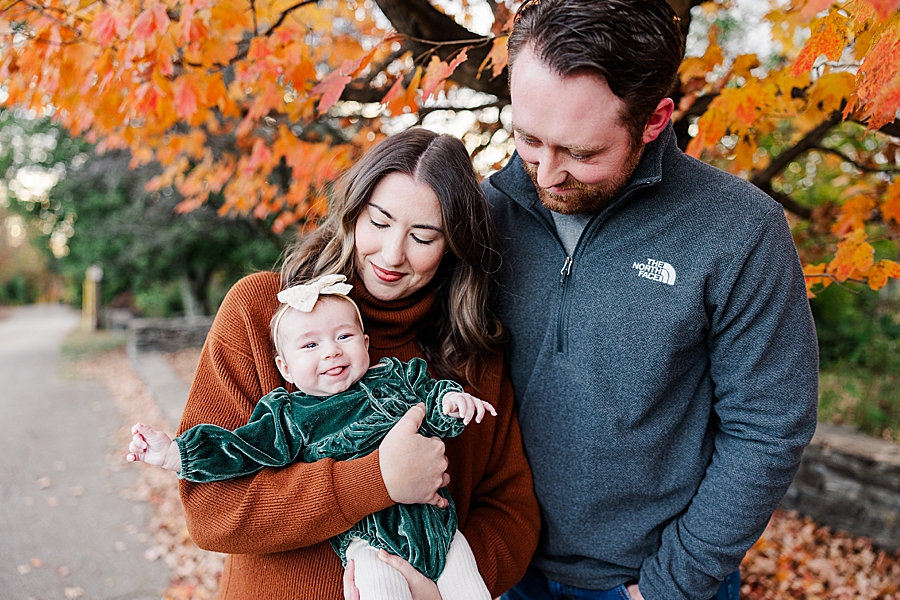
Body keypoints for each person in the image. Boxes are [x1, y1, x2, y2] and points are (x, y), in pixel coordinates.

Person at [483, 1, 819, 599]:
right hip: (499, 567)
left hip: (652, 582)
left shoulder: (739, 230)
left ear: (655, 119)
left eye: (581, 153)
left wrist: (670, 585)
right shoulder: (481, 215)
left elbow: (768, 428)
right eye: (528, 139)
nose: (547, 173)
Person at [171, 126, 539, 600]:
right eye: (379, 222)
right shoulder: (260, 312)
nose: (391, 254)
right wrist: (376, 479)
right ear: (353, 212)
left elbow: (511, 509)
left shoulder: (471, 353)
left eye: (423, 237)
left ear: (453, 246)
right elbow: (210, 509)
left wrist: (441, 592)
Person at [127, 274, 495, 600]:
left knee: (470, 586)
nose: (332, 350)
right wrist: (176, 454)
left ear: (366, 344)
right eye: (310, 345)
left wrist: (451, 402)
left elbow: (432, 404)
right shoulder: (292, 416)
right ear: (285, 367)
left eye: (344, 336)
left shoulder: (395, 378)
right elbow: (241, 448)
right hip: (371, 544)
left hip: (441, 529)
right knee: (382, 589)